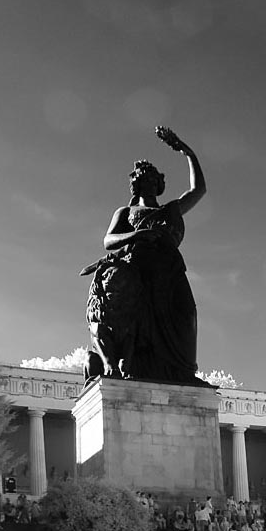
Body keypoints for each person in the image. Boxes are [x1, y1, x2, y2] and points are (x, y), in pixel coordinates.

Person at [81, 126, 207, 385]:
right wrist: (136, 236)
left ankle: (182, 374)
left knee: (187, 317)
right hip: (140, 275)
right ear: (137, 184)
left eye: (154, 179)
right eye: (145, 179)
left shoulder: (172, 209)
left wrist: (186, 151)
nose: (150, 182)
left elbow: (199, 190)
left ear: (159, 183)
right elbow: (109, 241)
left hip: (171, 273)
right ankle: (136, 369)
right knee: (141, 333)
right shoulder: (125, 213)